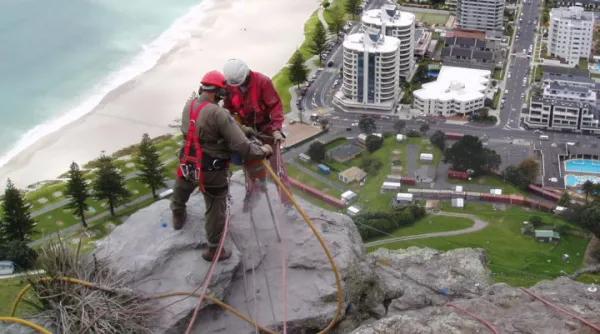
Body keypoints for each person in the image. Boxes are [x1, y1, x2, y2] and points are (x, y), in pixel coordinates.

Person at [170, 70, 272, 262]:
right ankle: (215, 249)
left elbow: (207, 126)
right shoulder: (218, 112)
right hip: (211, 169)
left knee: (183, 184)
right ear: (218, 92)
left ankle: (177, 212)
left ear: (202, 88)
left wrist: (245, 130)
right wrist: (263, 151)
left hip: (188, 160)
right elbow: (242, 146)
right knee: (215, 205)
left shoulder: (189, 104)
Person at [222, 59, 290, 210]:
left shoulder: (262, 82)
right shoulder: (230, 86)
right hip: (246, 131)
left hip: (266, 130)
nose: (238, 86)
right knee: (251, 165)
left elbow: (275, 106)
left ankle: (287, 204)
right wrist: (238, 127)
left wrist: (276, 128)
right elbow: (228, 109)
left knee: (277, 168)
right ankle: (255, 192)